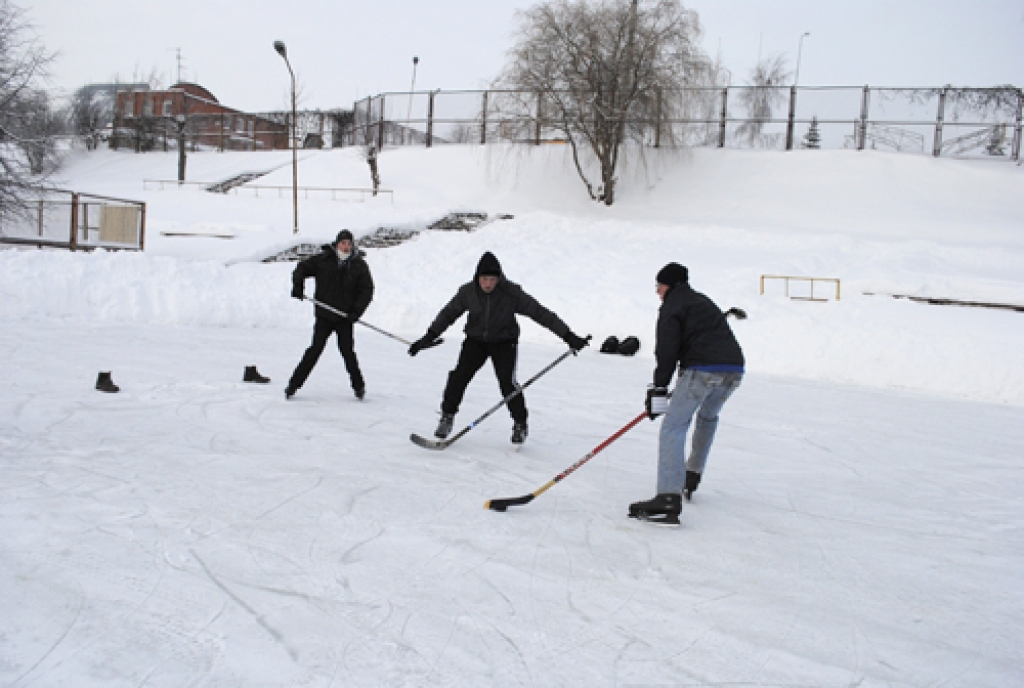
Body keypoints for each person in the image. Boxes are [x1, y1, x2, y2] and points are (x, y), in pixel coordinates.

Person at [408, 251, 589, 445]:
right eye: (484, 279)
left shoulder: (511, 293)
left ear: (499, 278)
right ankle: (447, 417)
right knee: (459, 376)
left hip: (504, 342)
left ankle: (520, 423)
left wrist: (568, 335)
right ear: (477, 277)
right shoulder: (467, 292)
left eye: (492, 279)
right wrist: (429, 336)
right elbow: (448, 313)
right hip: (476, 340)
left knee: (507, 384)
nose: (487, 284)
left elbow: (540, 312)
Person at [629, 262, 744, 526]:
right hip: (734, 369)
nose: (657, 291)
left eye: (658, 285)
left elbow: (667, 350)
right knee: (707, 418)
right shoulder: (702, 301)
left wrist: (659, 388)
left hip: (702, 370)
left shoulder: (672, 306)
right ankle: (692, 473)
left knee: (674, 426)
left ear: (668, 285)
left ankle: (668, 496)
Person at [286, 230, 374, 400]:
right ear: (337, 244)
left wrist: (356, 312)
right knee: (315, 350)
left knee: (347, 352)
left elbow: (366, 291)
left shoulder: (359, 265)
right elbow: (302, 268)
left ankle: (359, 387)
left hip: (344, 318)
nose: (346, 247)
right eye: (343, 243)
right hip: (324, 315)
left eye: (349, 243)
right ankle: (293, 385)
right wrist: (298, 286)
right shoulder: (324, 260)